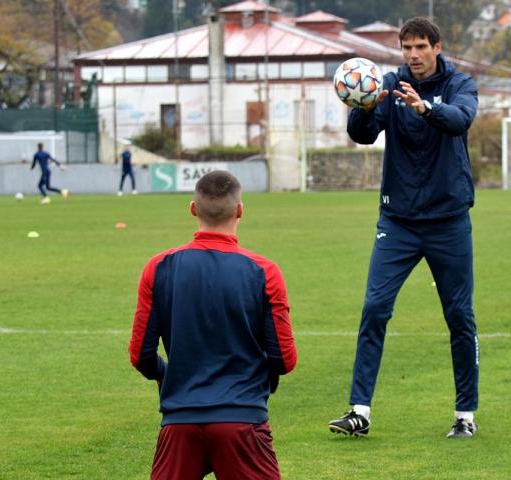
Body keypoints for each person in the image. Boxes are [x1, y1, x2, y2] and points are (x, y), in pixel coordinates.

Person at [327, 16, 480, 439]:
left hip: (448, 220)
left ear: (436, 46)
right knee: (375, 309)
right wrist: (362, 107)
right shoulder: (389, 84)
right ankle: (359, 411)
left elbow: (460, 120)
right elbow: (363, 135)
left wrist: (425, 107)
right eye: (406, 47)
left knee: (459, 316)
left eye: (420, 47)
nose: (413, 55)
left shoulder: (459, 84)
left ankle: (465, 414)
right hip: (398, 222)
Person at [129, 170, 297, 479]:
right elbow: (284, 360)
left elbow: (140, 355)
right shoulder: (265, 272)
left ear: (193, 209)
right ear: (241, 211)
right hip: (243, 420)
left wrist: (165, 374)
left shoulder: (158, 267)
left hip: (179, 421)